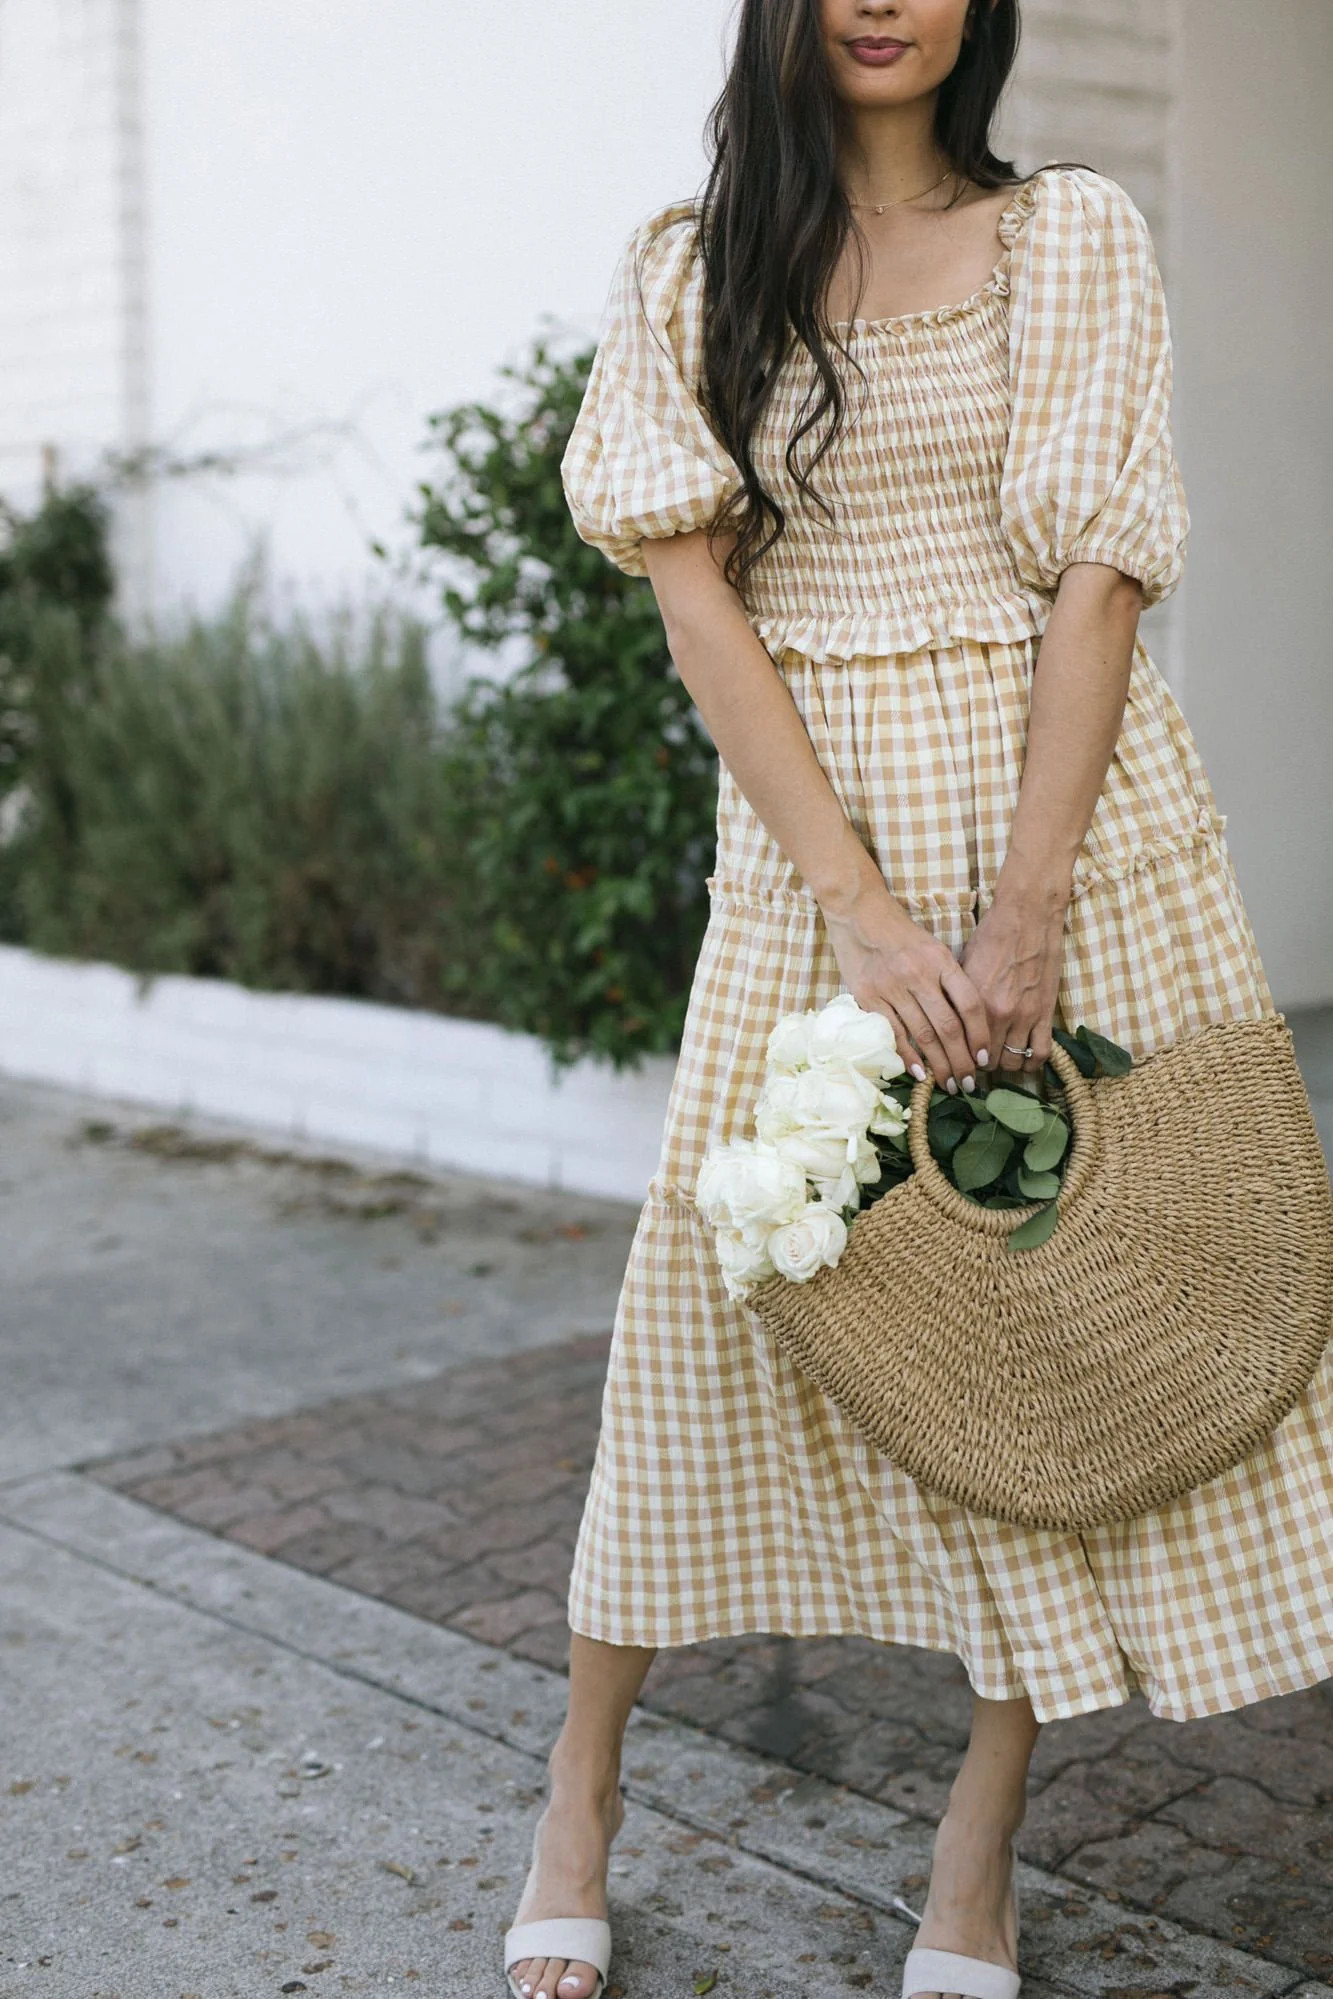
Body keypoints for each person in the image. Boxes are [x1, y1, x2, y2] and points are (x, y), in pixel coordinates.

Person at [503, 3, 1333, 1997]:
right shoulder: (686, 267)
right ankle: (576, 1793)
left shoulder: (1072, 235)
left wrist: (1022, 909)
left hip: (1067, 829)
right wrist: (864, 910)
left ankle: (974, 1858)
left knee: (1038, 1329)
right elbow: (698, 599)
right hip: (813, 856)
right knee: (700, 1336)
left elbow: (1101, 584)